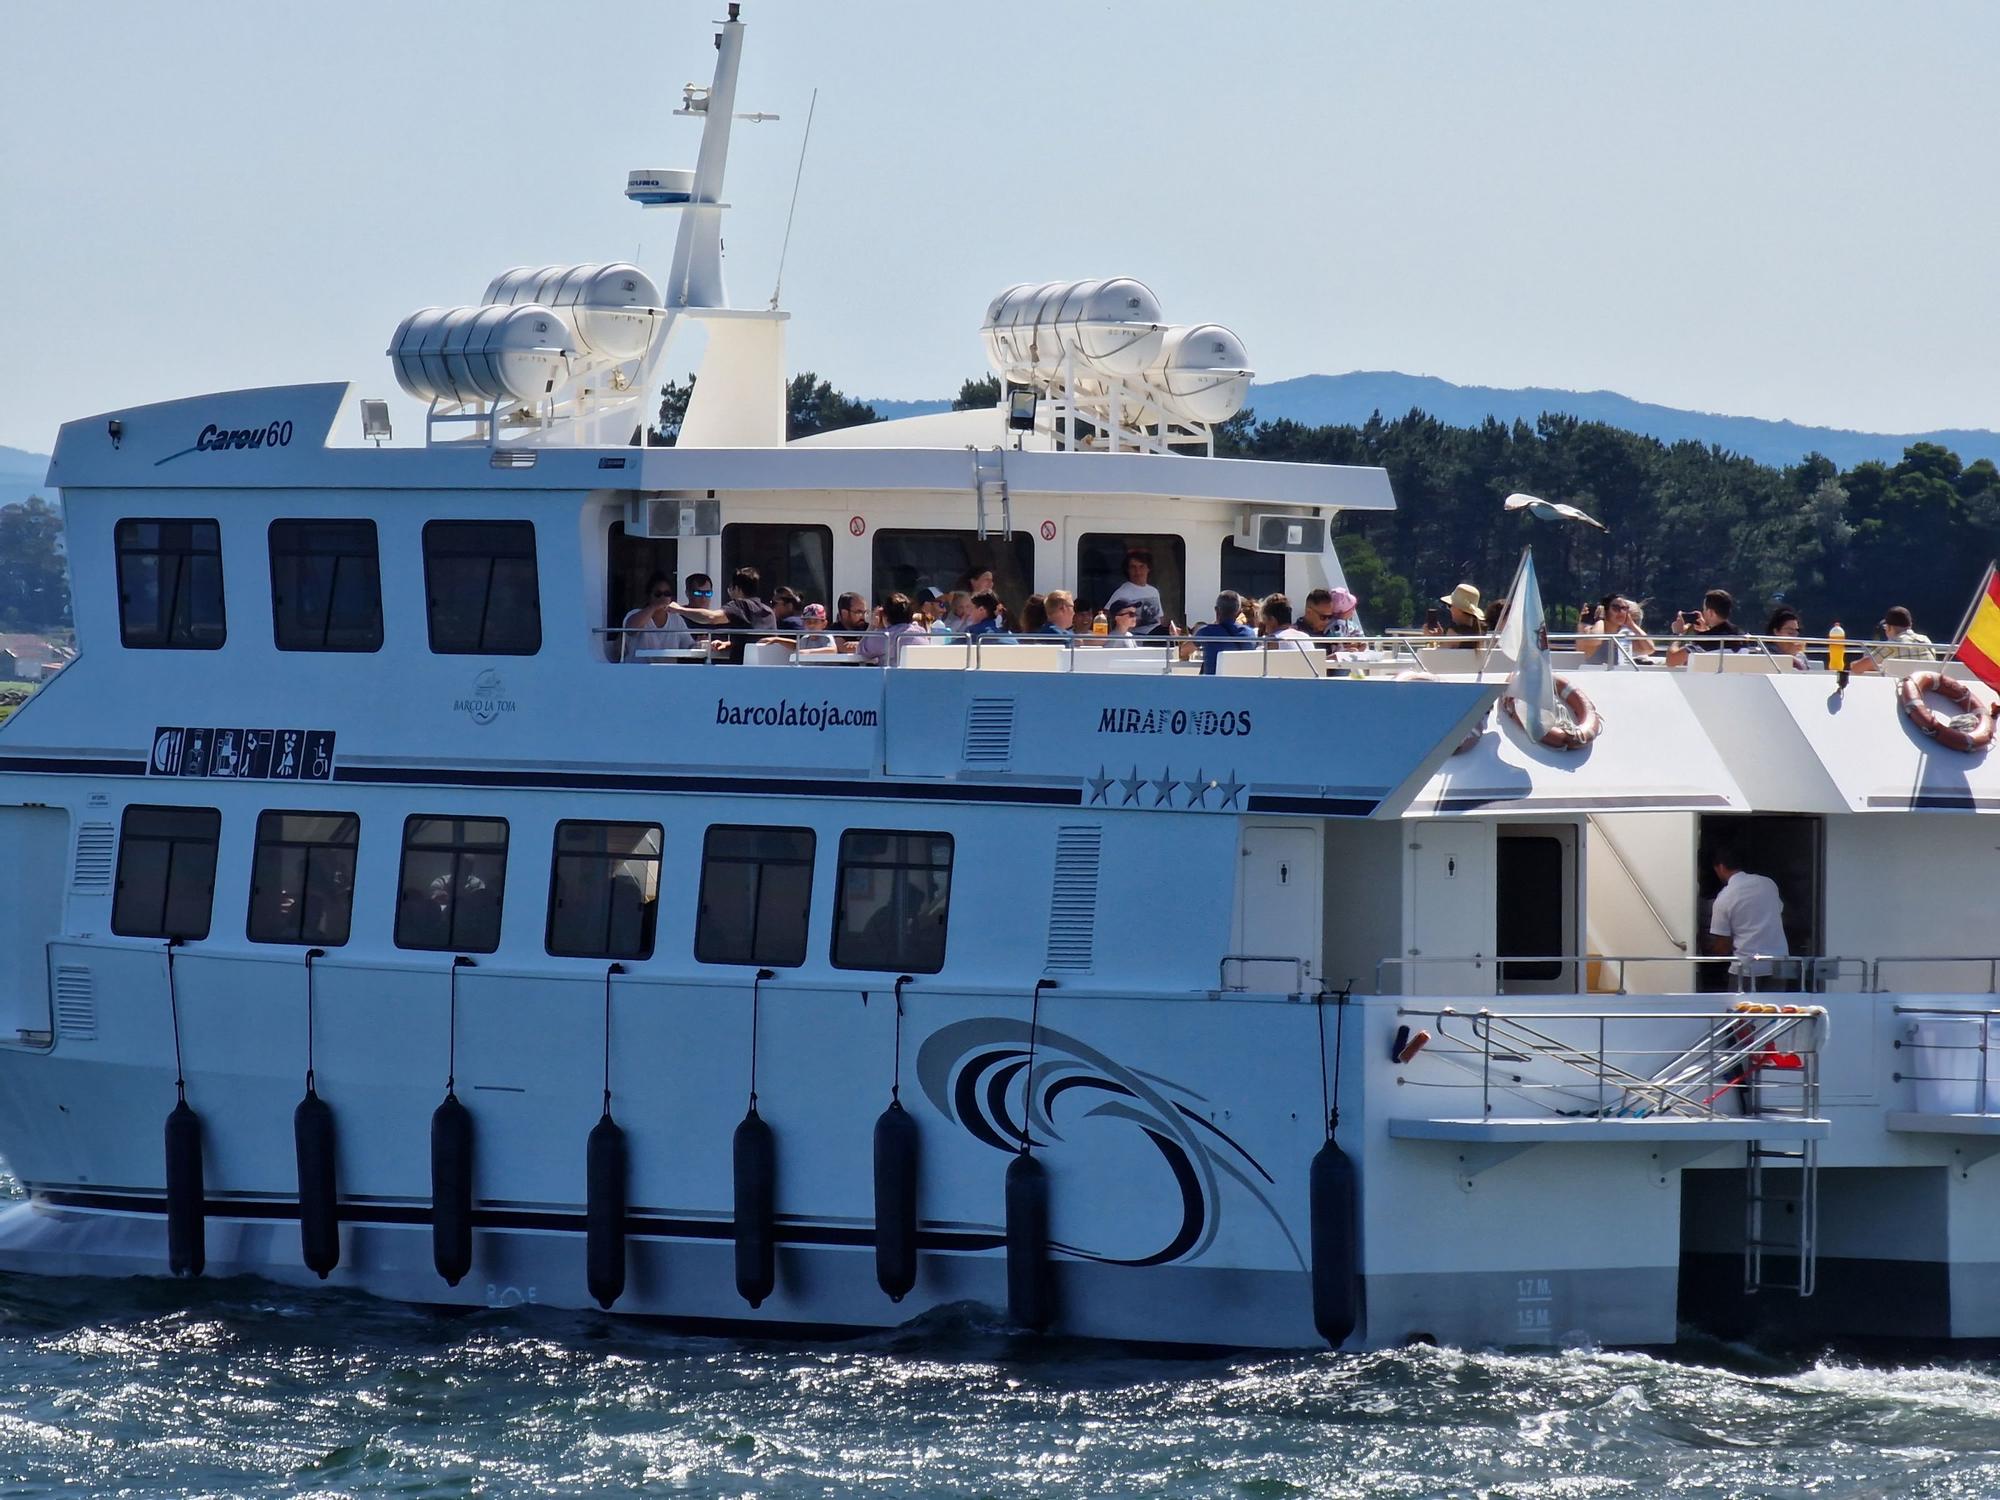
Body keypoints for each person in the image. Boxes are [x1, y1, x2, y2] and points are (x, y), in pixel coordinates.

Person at [1704, 845, 1792, 992]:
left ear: (1720, 867)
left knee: (1743, 1012)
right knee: (1775, 1011)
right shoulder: (1768, 883)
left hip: (1747, 967)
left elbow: (1722, 947)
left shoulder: (1724, 898)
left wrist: (1706, 949)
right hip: (1778, 963)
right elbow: (1779, 913)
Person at [669, 566, 776, 664]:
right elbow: (754, 641)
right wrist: (727, 644)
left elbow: (711, 617)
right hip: (766, 669)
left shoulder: (740, 605)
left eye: (730, 589)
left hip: (741, 671)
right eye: (698, 593)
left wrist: (679, 609)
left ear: (737, 588)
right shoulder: (768, 611)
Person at [617, 571, 694, 661]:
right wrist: (654, 606)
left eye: (667, 594)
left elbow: (688, 645)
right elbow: (630, 630)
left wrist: (700, 643)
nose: (663, 597)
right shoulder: (635, 614)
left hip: (666, 673)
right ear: (649, 596)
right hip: (637, 671)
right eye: (658, 594)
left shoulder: (676, 619)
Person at [1179, 590, 1258, 675]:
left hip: (1212, 684)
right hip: (1241, 684)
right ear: (1238, 613)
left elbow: (1184, 651)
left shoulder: (1206, 632)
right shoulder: (1250, 634)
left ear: (1216, 610)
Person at [1667, 588, 1741, 664]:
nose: (1703, 613)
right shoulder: (1742, 637)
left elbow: (1671, 661)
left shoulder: (1704, 641)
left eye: (1704, 609)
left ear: (1711, 613)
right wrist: (1705, 631)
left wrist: (1677, 634)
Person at [1581, 595, 1656, 667]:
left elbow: (1649, 649)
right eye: (1616, 608)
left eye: (1624, 608)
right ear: (1605, 610)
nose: (1621, 612)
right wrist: (1600, 619)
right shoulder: (1589, 629)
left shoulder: (1624, 637)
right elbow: (1596, 640)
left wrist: (1631, 624)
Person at [1104, 547, 1165, 634]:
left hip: (1156, 637)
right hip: (1135, 639)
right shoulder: (1122, 592)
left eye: (1141, 566)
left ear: (1148, 568)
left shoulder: (1154, 591)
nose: (1137, 571)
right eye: (1133, 567)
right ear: (1128, 570)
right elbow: (1106, 615)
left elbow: (1160, 618)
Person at [858, 593, 928, 665]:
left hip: (893, 675)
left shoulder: (884, 637)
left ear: (885, 615)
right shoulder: (921, 632)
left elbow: (861, 651)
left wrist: (873, 626)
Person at [1763, 606, 1810, 670]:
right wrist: (1790, 656)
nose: (1794, 637)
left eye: (1795, 633)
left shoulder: (1800, 655)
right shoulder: (1765, 654)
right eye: (1790, 633)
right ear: (1776, 631)